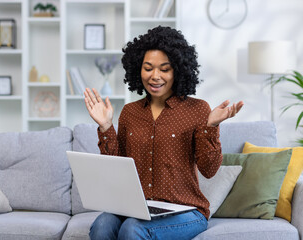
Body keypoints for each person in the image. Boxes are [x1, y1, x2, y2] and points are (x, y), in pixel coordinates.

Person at [83, 26, 244, 240]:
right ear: (137, 69)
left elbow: (209, 169)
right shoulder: (130, 113)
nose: (155, 76)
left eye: (164, 69)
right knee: (103, 224)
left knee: (133, 228)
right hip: (139, 208)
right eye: (148, 68)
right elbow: (117, 169)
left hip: (186, 211)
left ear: (178, 70)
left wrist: (211, 127)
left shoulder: (198, 110)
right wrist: (105, 126)